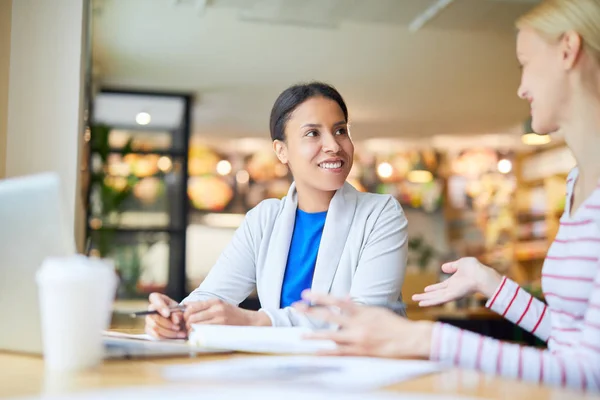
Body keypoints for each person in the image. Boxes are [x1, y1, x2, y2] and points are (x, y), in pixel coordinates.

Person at [294, 0, 600, 392]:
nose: (521, 87)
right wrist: (491, 284)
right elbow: (569, 340)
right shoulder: (578, 181)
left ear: (568, 49)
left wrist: (425, 339)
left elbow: (591, 371)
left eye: (525, 61)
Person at [145, 82, 409, 339]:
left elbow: (365, 317)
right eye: (312, 133)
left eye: (340, 131)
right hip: (279, 371)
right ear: (281, 151)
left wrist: (256, 320)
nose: (334, 145)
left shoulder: (381, 213)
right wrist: (177, 316)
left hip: (359, 374)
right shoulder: (264, 218)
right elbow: (215, 295)